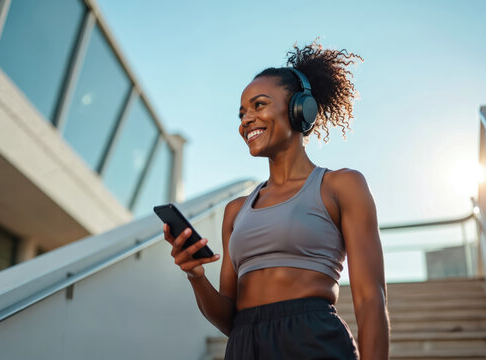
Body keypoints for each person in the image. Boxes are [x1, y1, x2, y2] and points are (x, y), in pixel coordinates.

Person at [163, 41, 389, 359]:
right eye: (242, 113)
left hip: (314, 341)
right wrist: (196, 276)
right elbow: (229, 319)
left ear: (301, 108)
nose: (246, 120)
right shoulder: (235, 211)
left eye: (259, 105)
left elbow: (370, 299)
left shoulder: (342, 186)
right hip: (243, 345)